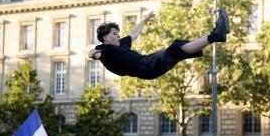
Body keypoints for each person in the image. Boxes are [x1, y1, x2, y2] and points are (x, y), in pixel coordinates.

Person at [88, 8, 230, 80]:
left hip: (147, 62)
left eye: (118, 33)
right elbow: (95, 54)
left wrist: (144, 20)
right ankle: (216, 34)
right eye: (114, 34)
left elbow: (134, 34)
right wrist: (93, 54)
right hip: (144, 67)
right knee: (176, 48)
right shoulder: (104, 49)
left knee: (179, 49)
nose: (118, 35)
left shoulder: (121, 44)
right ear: (105, 38)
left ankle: (216, 35)